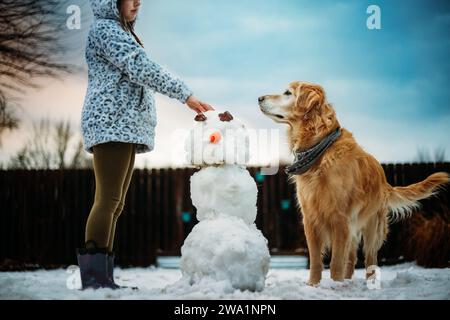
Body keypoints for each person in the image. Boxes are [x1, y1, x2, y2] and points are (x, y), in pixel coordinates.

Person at [77, 0, 213, 290]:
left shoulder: (121, 31)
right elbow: (141, 67)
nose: (137, 1)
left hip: (122, 125)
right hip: (110, 122)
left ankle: (102, 278)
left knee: (115, 203)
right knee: (107, 200)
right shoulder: (106, 30)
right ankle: (94, 280)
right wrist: (184, 94)